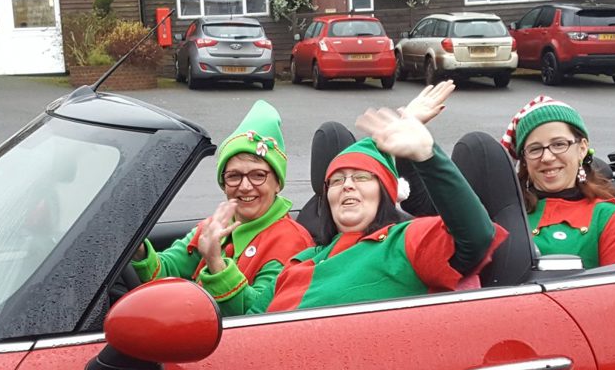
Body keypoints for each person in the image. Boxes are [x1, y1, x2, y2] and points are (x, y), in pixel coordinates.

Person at [196, 106, 503, 314]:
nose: (347, 186)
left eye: (361, 177)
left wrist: (427, 155)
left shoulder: (403, 241)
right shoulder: (303, 260)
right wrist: (215, 262)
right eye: (337, 180)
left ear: (385, 193)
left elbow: (476, 238)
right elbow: (250, 320)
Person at [131, 100, 313, 285]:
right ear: (223, 184)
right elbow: (167, 271)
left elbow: (260, 303)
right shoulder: (215, 226)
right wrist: (138, 248)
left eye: (258, 175)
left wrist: (215, 262)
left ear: (278, 183)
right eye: (234, 176)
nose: (245, 186)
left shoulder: (291, 241)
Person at [500, 96, 615, 268]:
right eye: (535, 149)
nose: (547, 157)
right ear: (524, 160)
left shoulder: (607, 218)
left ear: (582, 149)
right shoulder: (504, 211)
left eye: (559, 144)